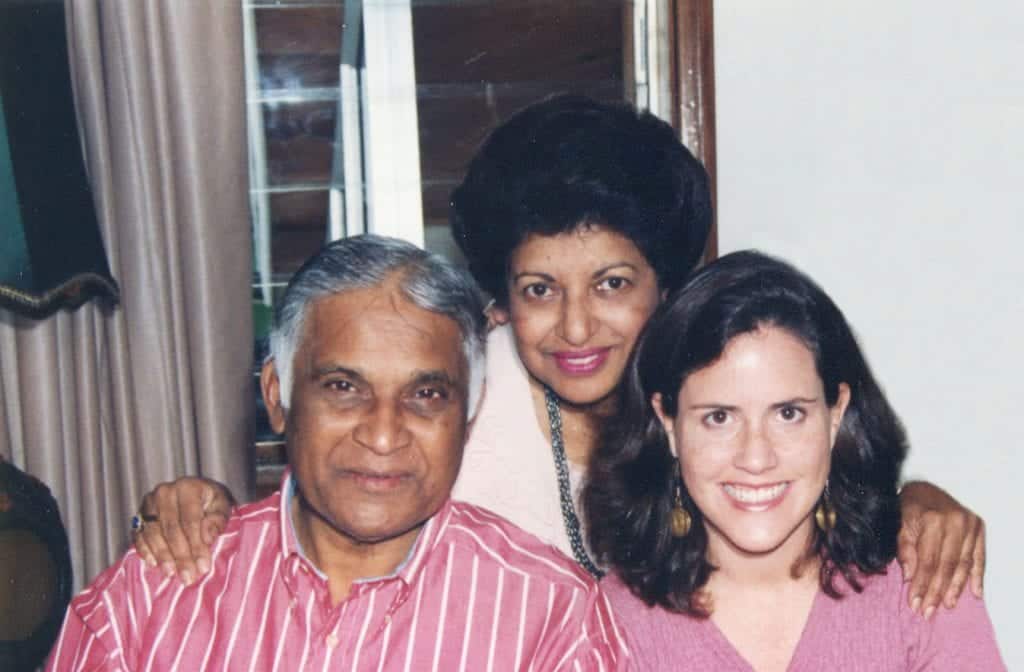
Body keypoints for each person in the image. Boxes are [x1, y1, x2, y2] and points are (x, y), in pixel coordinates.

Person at [133, 95, 982, 610]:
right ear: (502, 300)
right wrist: (203, 503)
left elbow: (812, 482)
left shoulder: (711, 384)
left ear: (667, 282)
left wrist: (919, 499)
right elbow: (340, 490)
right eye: (541, 289)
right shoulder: (459, 392)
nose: (576, 329)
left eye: (612, 284)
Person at [0, 236, 631, 672]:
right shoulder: (153, 593)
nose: (383, 434)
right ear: (277, 395)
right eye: (342, 387)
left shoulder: (555, 623)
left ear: (466, 419)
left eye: (426, 396)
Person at [580, 251, 1018, 672]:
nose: (756, 457)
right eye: (719, 417)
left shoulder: (923, 578)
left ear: (836, 413)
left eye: (789, 413)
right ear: (669, 424)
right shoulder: (617, 626)